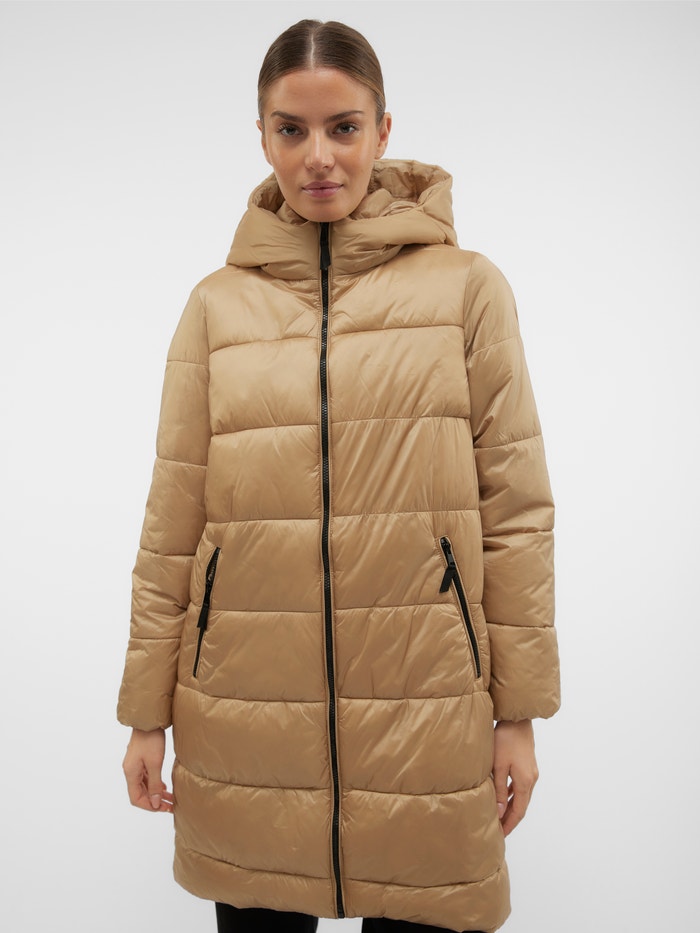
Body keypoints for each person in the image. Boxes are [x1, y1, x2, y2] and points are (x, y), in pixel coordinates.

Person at [118, 18, 560, 933]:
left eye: (344, 127)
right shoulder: (217, 308)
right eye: (292, 129)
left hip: (427, 709)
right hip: (246, 716)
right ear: (263, 137)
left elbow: (516, 511)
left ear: (383, 130)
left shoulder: (466, 290)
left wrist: (519, 714)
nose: (318, 156)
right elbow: (173, 521)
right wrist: (145, 714)